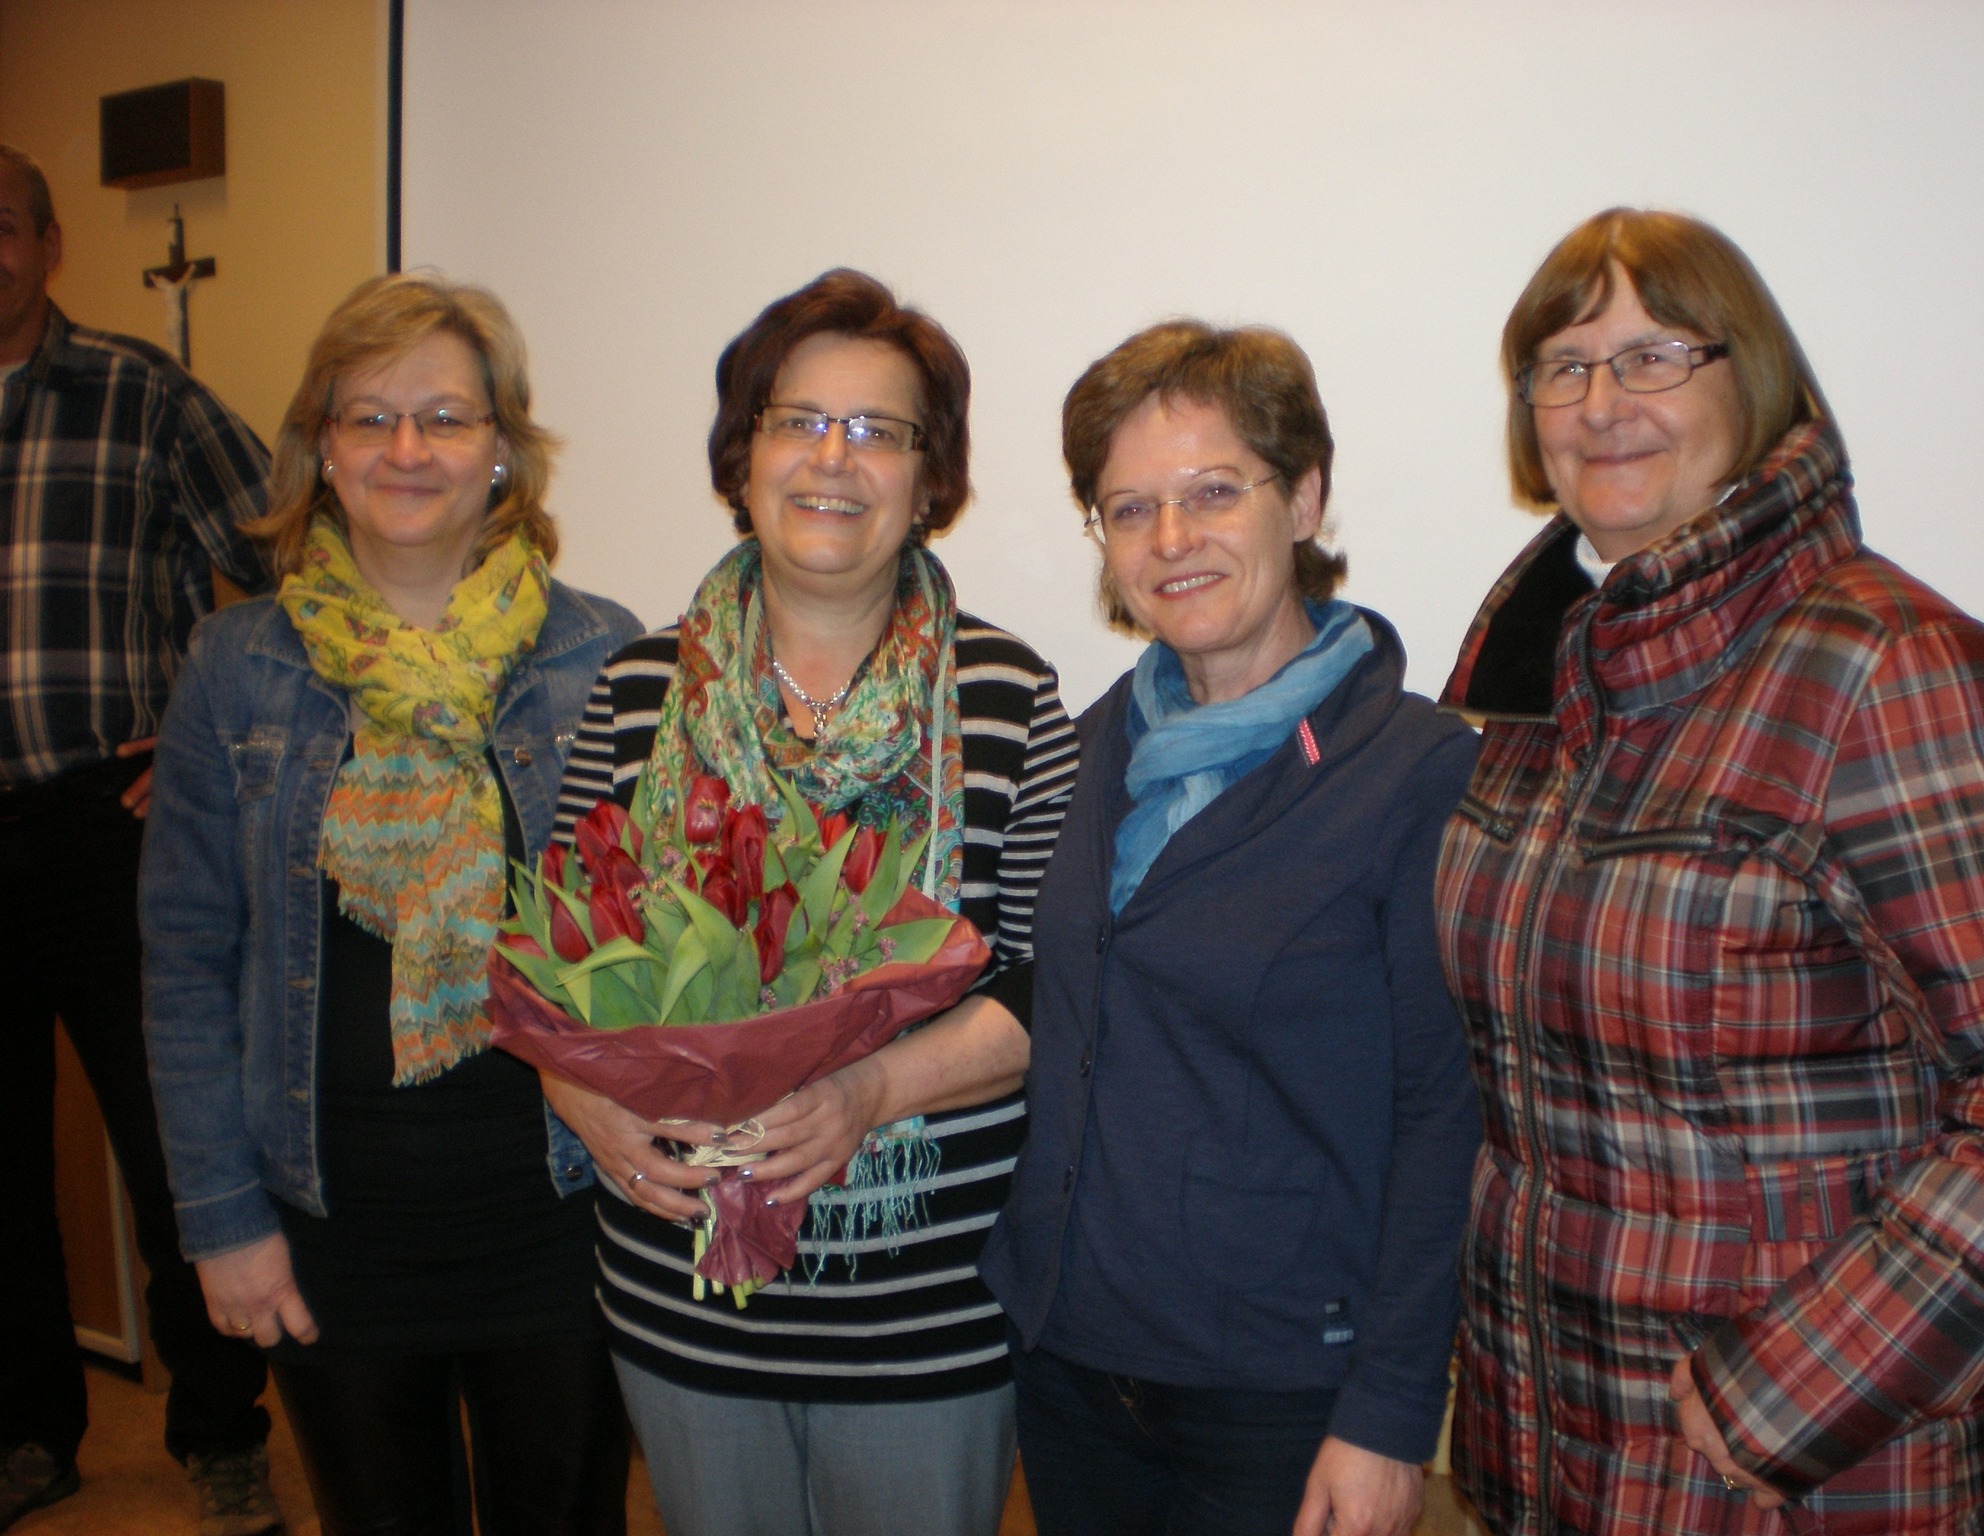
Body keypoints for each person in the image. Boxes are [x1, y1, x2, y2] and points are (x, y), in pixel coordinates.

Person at [1436, 206, 1984, 1534]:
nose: (1603, 402)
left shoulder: (1889, 667)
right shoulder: (1538, 683)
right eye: (1564, 363)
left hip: (1808, 1471)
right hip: (1550, 1441)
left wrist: (1787, 1396)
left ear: (1754, 378)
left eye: (1656, 356)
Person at [543, 267, 1078, 1536]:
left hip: (923, 1304)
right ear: (743, 455)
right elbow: (557, 961)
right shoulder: (634, 686)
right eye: (800, 421)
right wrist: (580, 1098)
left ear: (927, 477)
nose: (834, 461)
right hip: (680, 1290)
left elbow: (1055, 986)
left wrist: (866, 1094)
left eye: (878, 432)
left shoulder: (1006, 695)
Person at [139, 272, 642, 1536]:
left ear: (503, 450)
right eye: (368, 417)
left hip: (559, 1214)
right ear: (319, 447)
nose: (407, 449)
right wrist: (220, 1225)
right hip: (328, 1224)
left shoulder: (608, 655)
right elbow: (187, 963)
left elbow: (643, 944)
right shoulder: (235, 667)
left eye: (446, 417)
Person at [980, 320, 1482, 1536]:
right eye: (1128, 507)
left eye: (1212, 493)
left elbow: (1441, 1111)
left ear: (1302, 496)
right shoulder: (1092, 743)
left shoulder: (1415, 771)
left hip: (1283, 1393)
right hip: (1068, 1359)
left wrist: (1387, 1414)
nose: (1170, 541)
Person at [0, 143, 281, 1536]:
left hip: (100, 827)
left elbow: (295, 552)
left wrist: (200, 733)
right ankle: (30, 1432)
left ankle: (221, 1430)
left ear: (49, 242)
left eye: (0, 227)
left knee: (179, 1143)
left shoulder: (139, 390)